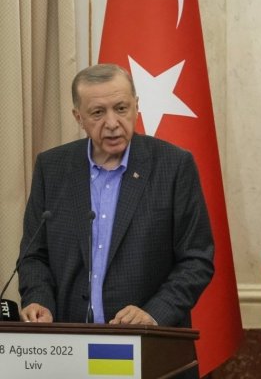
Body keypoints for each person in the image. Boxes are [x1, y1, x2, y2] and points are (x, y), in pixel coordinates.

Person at [17, 63, 214, 329]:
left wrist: (154, 313)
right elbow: (34, 254)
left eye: (121, 108)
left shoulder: (174, 165)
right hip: (70, 343)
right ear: (79, 117)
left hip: (149, 346)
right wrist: (39, 299)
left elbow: (197, 258)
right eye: (98, 113)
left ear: (136, 105)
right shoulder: (52, 168)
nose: (112, 123)